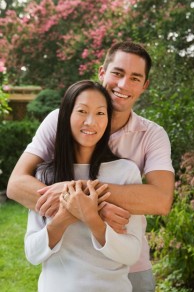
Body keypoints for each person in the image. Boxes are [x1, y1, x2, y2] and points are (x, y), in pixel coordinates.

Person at [7, 41, 175, 291]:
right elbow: (16, 185)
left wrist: (85, 195)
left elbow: (160, 201)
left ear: (144, 85)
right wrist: (92, 208)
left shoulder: (152, 135)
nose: (122, 85)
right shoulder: (60, 121)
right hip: (66, 274)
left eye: (134, 78)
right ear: (102, 72)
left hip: (131, 267)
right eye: (117, 73)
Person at [24, 80, 143, 292]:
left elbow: (131, 253)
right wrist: (66, 215)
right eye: (82, 111)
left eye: (100, 113)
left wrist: (91, 217)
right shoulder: (45, 175)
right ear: (66, 115)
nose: (91, 122)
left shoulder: (125, 172)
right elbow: (32, 253)